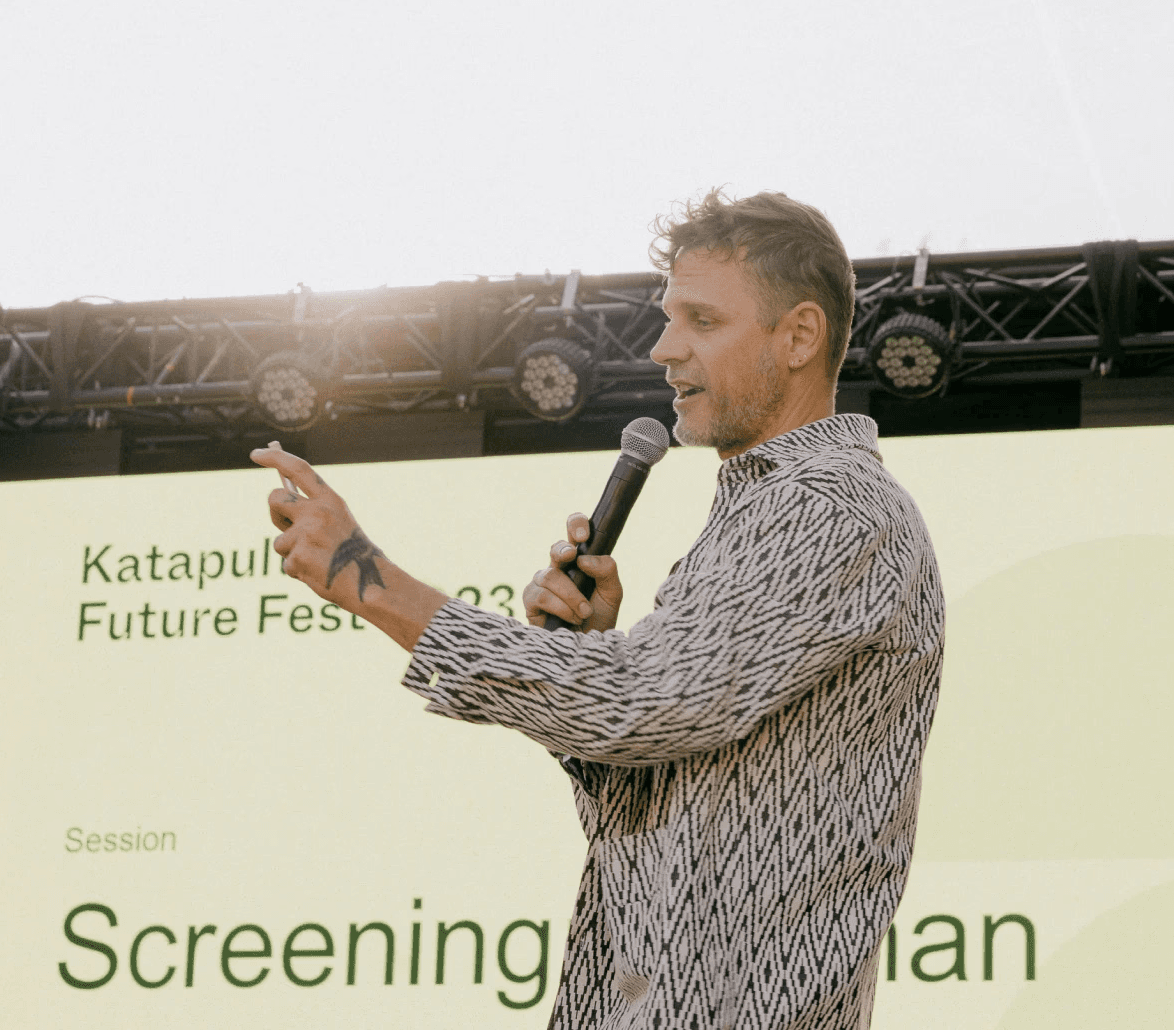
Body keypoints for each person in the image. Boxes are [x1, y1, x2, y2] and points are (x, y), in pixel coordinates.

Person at [250, 188, 944, 1029]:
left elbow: (642, 705)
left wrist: (367, 578)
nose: (662, 348)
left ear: (799, 336)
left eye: (701, 321)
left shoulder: (829, 508)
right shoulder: (762, 513)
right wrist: (594, 653)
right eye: (667, 318)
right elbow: (645, 797)